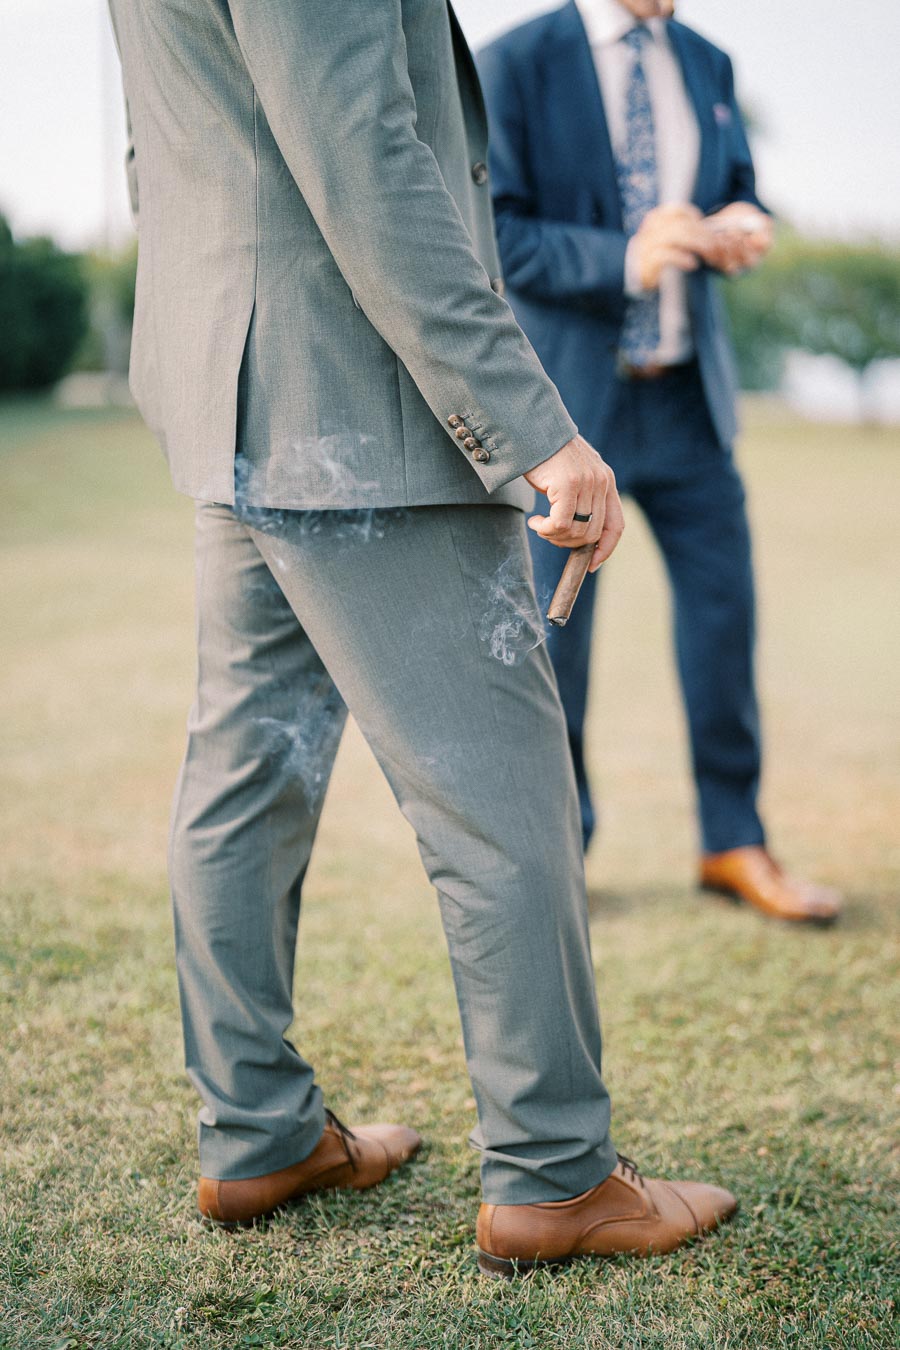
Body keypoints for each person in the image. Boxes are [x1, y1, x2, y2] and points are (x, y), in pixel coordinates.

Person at [108, 0, 737, 1275]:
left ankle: (255, 1131)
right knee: (504, 793)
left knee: (247, 769)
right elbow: (364, 150)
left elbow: (162, 144)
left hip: (237, 385)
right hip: (359, 399)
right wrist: (530, 424)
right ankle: (556, 1173)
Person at [478, 0, 841, 926]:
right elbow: (494, 234)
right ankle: (559, 856)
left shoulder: (708, 60)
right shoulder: (514, 61)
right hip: (567, 415)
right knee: (558, 639)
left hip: (688, 400)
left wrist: (742, 225)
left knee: (725, 622)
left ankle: (733, 841)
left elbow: (740, 186)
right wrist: (627, 256)